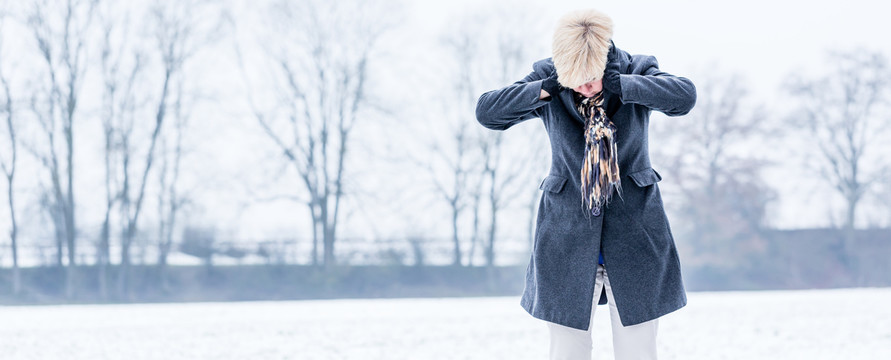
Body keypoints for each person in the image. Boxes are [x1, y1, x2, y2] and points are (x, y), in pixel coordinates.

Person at [474, 8, 697, 360]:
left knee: (638, 352)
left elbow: (684, 97)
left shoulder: (635, 69)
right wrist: (546, 88)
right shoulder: (549, 78)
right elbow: (488, 113)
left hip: (636, 238)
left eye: (592, 77)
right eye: (576, 79)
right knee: (566, 353)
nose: (585, 87)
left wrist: (621, 85)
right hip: (566, 242)